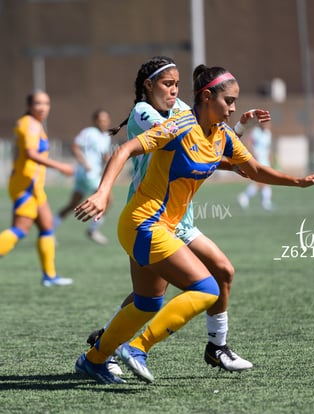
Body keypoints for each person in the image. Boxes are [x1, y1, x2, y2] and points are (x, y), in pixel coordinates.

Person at [73, 64, 314, 384]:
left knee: (147, 302)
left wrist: (299, 181)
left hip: (160, 226)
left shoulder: (222, 134)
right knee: (207, 287)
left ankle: (93, 360)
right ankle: (138, 348)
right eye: (229, 101)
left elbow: (252, 169)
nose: (234, 108)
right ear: (207, 97)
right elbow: (125, 149)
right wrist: (102, 193)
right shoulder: (179, 125)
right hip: (145, 222)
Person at [83, 57, 271, 376]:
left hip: (179, 214)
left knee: (214, 274)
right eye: (167, 84)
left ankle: (216, 347)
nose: (174, 90)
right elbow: (186, 142)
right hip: (152, 210)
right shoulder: (144, 113)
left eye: (177, 84)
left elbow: (207, 138)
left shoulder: (182, 108)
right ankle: (111, 340)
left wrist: (236, 128)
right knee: (158, 293)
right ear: (148, 86)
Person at [0, 90, 74, 286]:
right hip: (25, 185)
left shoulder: (32, 124)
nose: (43, 107)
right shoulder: (30, 125)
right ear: (29, 106)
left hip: (34, 187)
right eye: (38, 103)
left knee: (47, 226)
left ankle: (49, 276)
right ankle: (49, 276)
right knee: (20, 228)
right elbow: (31, 154)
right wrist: (61, 166)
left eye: (46, 103)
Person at [54, 109, 112, 245]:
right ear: (95, 121)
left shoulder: (106, 136)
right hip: (87, 174)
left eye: (106, 120)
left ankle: (48, 231)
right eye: (101, 120)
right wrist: (84, 163)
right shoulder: (89, 132)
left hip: (88, 175)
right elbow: (75, 146)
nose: (103, 122)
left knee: (73, 204)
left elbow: (103, 155)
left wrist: (108, 160)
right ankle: (93, 229)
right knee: (107, 199)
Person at [238, 121, 274, 210]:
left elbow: (268, 148)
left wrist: (270, 159)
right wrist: (252, 155)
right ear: (261, 123)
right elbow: (248, 143)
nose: (268, 125)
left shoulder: (268, 134)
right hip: (257, 161)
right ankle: (245, 197)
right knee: (261, 182)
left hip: (265, 161)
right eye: (266, 123)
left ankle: (265, 202)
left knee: (267, 181)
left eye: (269, 123)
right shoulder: (256, 132)